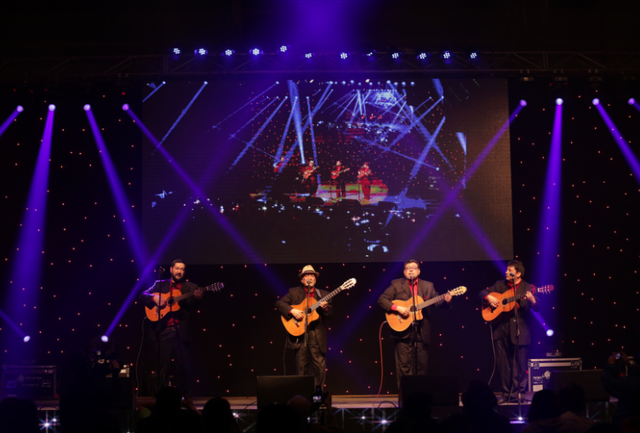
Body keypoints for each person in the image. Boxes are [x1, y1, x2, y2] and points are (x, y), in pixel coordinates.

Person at [378, 259, 452, 391]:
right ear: (404, 271)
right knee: (404, 366)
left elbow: (437, 303)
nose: (411, 270)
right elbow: (382, 300)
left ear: (418, 271)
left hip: (422, 332)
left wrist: (446, 300)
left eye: (413, 268)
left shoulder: (428, 286)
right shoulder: (396, 284)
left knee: (421, 366)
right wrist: (398, 308)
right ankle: (405, 396)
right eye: (408, 268)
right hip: (402, 331)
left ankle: (420, 396)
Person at [479, 260, 539, 403]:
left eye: (509, 271)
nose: (506, 272)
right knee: (504, 364)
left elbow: (538, 308)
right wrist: (489, 297)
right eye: (506, 270)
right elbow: (482, 293)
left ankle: (519, 394)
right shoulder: (500, 285)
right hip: (501, 330)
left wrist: (532, 300)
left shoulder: (528, 287)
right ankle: (506, 394)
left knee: (520, 363)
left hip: (520, 330)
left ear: (518, 274)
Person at [141, 259, 203, 397]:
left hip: (182, 332)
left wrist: (198, 298)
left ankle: (186, 398)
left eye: (182, 269)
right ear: (171, 270)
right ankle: (159, 398)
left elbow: (195, 309)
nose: (179, 271)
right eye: (177, 268)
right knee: (162, 367)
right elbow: (143, 295)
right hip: (164, 332)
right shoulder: (160, 285)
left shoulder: (191, 288)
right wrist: (154, 299)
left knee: (184, 367)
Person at [275, 265, 333, 389]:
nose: (309, 278)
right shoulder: (294, 292)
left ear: (315, 279)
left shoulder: (324, 295)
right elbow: (279, 303)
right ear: (302, 280)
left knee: (319, 368)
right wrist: (292, 311)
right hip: (300, 335)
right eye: (306, 275)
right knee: (301, 367)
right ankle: (303, 396)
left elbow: (330, 315)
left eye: (312, 275)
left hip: (316, 335)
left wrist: (325, 308)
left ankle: (318, 397)